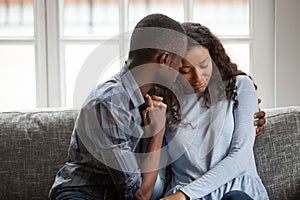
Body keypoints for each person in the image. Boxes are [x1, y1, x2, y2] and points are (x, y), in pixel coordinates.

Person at [49, 13, 188, 200]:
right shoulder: (109, 103)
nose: (180, 71)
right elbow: (139, 195)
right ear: (164, 60)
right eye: (179, 63)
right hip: (83, 194)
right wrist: (157, 134)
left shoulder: (149, 97)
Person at [160, 23, 269, 200]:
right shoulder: (165, 102)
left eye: (204, 65)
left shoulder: (239, 86)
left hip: (235, 190)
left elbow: (240, 156)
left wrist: (184, 195)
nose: (198, 78)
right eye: (185, 71)